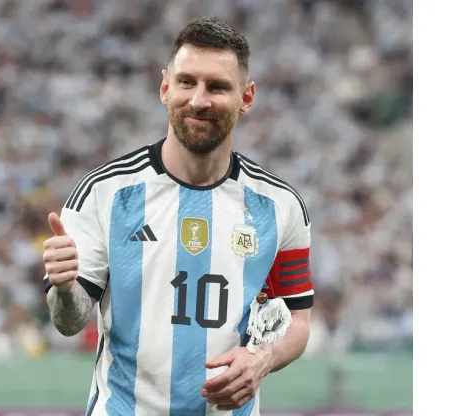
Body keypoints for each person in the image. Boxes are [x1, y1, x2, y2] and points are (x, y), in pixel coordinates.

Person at [42, 17, 314, 416]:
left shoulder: (279, 205)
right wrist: (65, 289)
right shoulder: (105, 193)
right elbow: (69, 322)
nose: (199, 100)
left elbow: (297, 319)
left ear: (247, 97)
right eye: (187, 82)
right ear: (165, 87)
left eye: (218, 86)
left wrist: (261, 360)